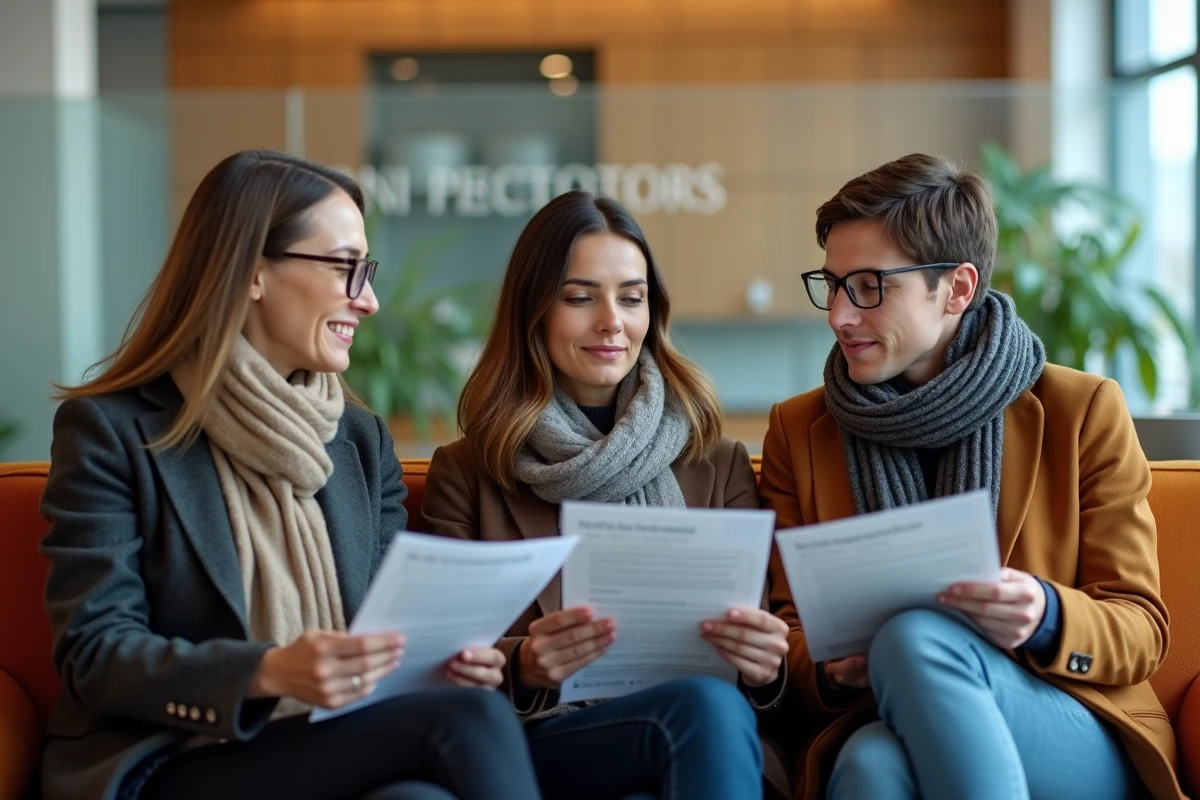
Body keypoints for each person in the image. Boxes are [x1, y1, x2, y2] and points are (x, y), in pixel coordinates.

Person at [39, 150, 543, 800]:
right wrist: (269, 672)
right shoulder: (111, 431)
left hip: (331, 744)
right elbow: (96, 653)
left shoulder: (360, 442)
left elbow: (387, 632)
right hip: (180, 758)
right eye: (346, 269)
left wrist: (441, 661)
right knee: (465, 720)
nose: (369, 301)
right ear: (252, 272)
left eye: (369, 271)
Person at [760, 152, 1183, 800]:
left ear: (957, 288)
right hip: (881, 713)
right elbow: (789, 633)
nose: (839, 315)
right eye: (832, 283)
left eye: (869, 286)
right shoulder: (799, 430)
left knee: (915, 636)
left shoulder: (1079, 410)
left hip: (1063, 720)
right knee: (870, 766)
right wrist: (833, 672)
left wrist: (1044, 615)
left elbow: (1140, 629)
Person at [421, 190, 790, 800]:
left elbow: (758, 652)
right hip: (545, 748)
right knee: (701, 706)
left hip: (698, 744)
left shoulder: (716, 461)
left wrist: (763, 665)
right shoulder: (468, 471)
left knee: (696, 720)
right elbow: (440, 661)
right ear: (533, 310)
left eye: (631, 297)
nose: (611, 322)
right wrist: (525, 667)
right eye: (579, 297)